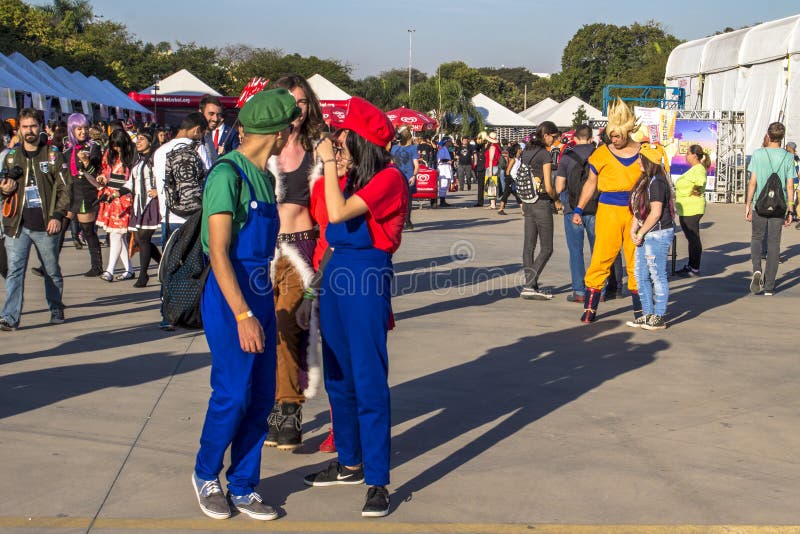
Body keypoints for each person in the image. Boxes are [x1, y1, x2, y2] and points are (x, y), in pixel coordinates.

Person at [192, 88, 298, 522]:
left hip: (259, 290)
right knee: (233, 393)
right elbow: (218, 252)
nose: (294, 134)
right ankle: (205, 474)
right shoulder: (227, 175)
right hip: (229, 294)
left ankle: (244, 484)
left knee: (260, 398)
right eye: (291, 127)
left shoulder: (264, 177)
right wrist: (243, 314)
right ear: (277, 132)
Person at [302, 97, 408, 518]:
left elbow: (340, 211)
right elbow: (325, 215)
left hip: (366, 279)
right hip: (336, 279)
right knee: (339, 378)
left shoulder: (389, 179)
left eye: (344, 140)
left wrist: (330, 167)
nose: (336, 146)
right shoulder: (349, 179)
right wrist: (332, 169)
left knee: (367, 380)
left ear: (362, 142)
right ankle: (349, 460)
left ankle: (378, 479)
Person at [262, 73, 325, 451]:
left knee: (289, 327)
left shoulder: (318, 148)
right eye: (289, 102)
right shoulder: (261, 147)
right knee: (264, 330)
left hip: (300, 249)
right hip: (261, 250)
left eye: (302, 102)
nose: (296, 110)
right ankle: (270, 402)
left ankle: (288, 410)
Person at [572, 99, 642, 323]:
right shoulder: (601, 154)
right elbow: (591, 183)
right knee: (602, 256)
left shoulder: (646, 153)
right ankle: (590, 309)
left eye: (618, 136)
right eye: (611, 136)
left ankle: (641, 311)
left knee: (636, 259)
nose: (614, 140)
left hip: (635, 211)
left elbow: (657, 184)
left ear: (628, 132)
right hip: (608, 210)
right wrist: (579, 208)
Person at [0, 108, 70, 330]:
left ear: (41, 127)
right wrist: (4, 189)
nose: (29, 131)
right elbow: (3, 187)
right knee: (15, 271)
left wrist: (57, 215)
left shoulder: (52, 155)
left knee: (51, 269)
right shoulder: (11, 157)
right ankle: (10, 317)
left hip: (45, 224)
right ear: (19, 129)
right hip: (17, 224)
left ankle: (56, 306)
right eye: (24, 127)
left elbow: (65, 188)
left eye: (33, 126)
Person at [153, 112, 210, 330]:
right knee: (194, 266)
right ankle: (193, 310)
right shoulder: (198, 149)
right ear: (197, 130)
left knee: (169, 266)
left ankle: (168, 314)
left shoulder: (160, 152)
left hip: (167, 216)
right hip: (194, 218)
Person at [626, 145, 675, 330]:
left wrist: (640, 232)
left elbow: (655, 213)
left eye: (641, 158)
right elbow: (639, 210)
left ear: (649, 161)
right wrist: (634, 228)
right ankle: (647, 314)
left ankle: (659, 316)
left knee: (657, 274)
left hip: (658, 234)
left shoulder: (657, 182)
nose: (638, 161)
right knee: (640, 275)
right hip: (647, 232)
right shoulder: (645, 180)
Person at [745, 122, 796, 296]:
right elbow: (790, 186)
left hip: (759, 204)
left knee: (757, 238)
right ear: (782, 137)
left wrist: (748, 204)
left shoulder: (758, 154)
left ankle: (757, 269)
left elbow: (752, 182)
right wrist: (791, 209)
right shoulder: (788, 157)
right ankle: (769, 286)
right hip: (779, 206)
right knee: (774, 243)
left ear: (768, 134)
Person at [518, 122, 559, 300]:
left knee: (529, 246)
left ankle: (531, 286)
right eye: (555, 137)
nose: (556, 140)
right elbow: (549, 186)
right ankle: (529, 284)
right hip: (541, 202)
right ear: (547, 135)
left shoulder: (526, 151)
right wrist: (556, 200)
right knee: (547, 247)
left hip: (527, 201)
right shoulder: (544, 154)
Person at [555, 124, 596, 302]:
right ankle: (598, 289)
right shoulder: (599, 154)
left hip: (572, 209)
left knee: (576, 251)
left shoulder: (567, 156)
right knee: (598, 250)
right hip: (596, 208)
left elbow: (559, 186)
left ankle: (579, 291)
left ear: (575, 138)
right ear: (591, 137)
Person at [64, 113, 105, 276]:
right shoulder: (68, 150)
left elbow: (96, 172)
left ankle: (97, 266)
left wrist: (87, 162)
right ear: (71, 129)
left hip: (86, 194)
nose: (83, 132)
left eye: (85, 128)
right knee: (60, 228)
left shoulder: (93, 147)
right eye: (79, 129)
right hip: (71, 193)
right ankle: (48, 264)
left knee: (88, 230)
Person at [96, 130, 136, 281]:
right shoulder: (109, 153)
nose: (115, 149)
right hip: (111, 195)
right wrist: (102, 178)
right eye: (113, 146)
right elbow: (105, 170)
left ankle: (110, 270)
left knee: (116, 234)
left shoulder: (133, 154)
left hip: (125, 197)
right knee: (118, 235)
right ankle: (129, 270)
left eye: (118, 146)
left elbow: (133, 177)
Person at [127, 130, 162, 287]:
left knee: (143, 237)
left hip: (151, 202)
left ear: (150, 141)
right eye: (137, 139)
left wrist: (157, 189)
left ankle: (143, 275)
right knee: (141, 239)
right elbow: (130, 182)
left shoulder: (156, 158)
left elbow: (164, 176)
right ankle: (163, 264)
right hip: (139, 203)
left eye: (142, 139)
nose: (138, 142)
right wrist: (114, 193)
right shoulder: (138, 160)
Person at [674, 144, 710, 277]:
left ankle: (694, 268)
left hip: (692, 208)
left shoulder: (699, 169)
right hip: (687, 208)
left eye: (687, 153)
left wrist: (694, 191)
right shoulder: (695, 169)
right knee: (691, 238)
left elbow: (701, 182)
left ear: (694, 155)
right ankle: (691, 265)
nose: (686, 156)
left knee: (693, 238)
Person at [390, 127, 418, 230]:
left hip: (409, 177)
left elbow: (416, 165)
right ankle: (400, 220)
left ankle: (407, 219)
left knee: (408, 201)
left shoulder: (413, 148)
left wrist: (414, 176)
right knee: (396, 201)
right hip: (396, 177)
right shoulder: (394, 148)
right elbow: (391, 163)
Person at [201, 95, 239, 163]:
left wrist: (226, 153)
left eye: (218, 115)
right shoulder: (194, 137)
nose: (215, 119)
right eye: (211, 114)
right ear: (201, 112)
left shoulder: (232, 133)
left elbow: (237, 156)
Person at [498, 142, 523, 215]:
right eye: (520, 148)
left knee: (518, 195)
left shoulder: (520, 159)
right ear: (517, 150)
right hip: (510, 179)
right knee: (506, 194)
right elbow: (508, 170)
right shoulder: (513, 159)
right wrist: (509, 180)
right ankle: (501, 209)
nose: (521, 150)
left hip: (515, 179)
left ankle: (523, 211)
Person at [483, 132, 501, 209]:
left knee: (491, 185)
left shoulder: (492, 147)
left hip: (491, 167)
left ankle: (492, 204)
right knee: (492, 185)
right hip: (495, 167)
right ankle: (492, 203)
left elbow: (491, 159)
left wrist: (490, 170)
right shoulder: (497, 146)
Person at [436, 137, 453, 207]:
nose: (450, 143)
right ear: (446, 142)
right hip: (443, 170)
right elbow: (439, 160)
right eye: (449, 141)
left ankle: (443, 200)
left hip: (447, 169)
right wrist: (447, 161)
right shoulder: (442, 150)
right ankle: (442, 201)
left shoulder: (446, 149)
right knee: (443, 185)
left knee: (446, 185)